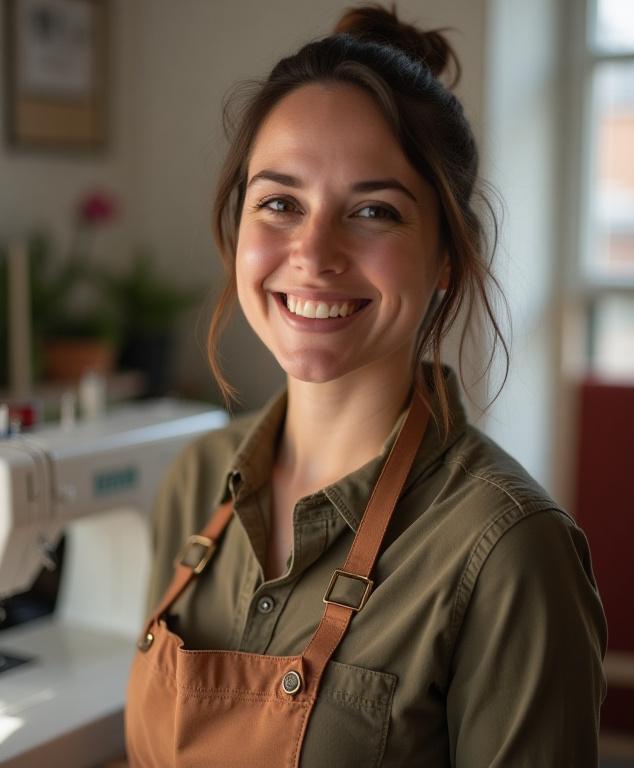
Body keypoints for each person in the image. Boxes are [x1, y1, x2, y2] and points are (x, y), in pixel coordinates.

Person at [125, 6, 607, 767]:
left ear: (446, 257)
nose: (314, 253)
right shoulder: (196, 488)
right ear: (237, 226)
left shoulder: (510, 552)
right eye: (280, 202)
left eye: (374, 211)